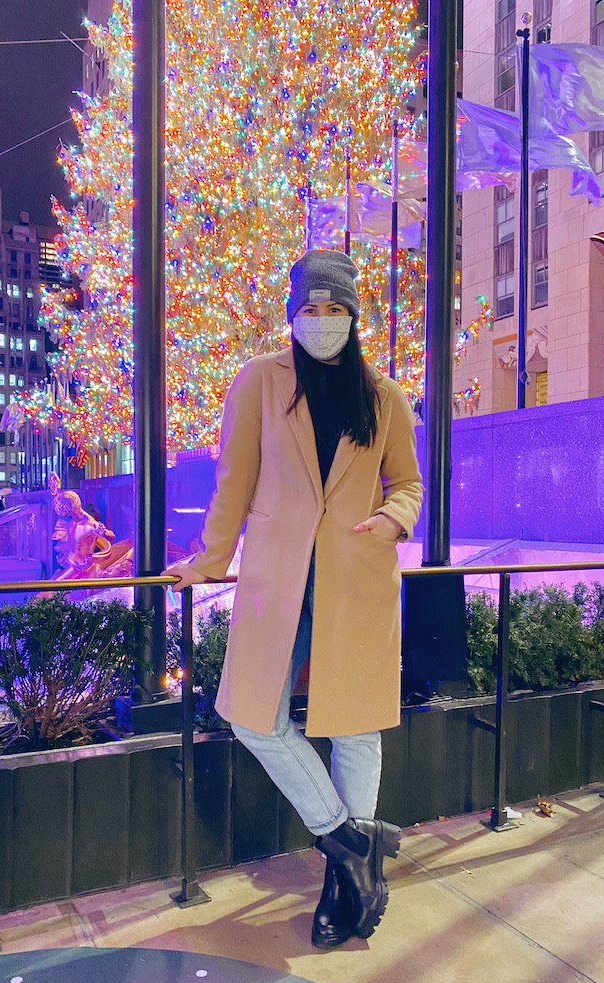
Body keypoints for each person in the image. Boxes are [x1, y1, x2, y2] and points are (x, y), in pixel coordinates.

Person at [163, 250, 422, 948]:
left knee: (357, 726)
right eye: (311, 309)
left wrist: (392, 520)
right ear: (293, 314)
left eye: (335, 309)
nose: (323, 320)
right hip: (278, 582)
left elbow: (408, 484)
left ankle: (345, 884)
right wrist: (209, 560)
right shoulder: (258, 382)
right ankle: (348, 840)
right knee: (252, 714)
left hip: (356, 581)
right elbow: (234, 481)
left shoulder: (384, 395)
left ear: (353, 316)